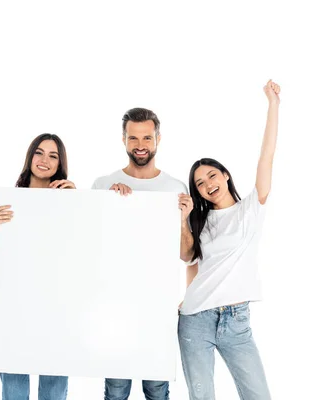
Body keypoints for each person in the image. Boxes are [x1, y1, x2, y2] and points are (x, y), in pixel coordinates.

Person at [178, 80, 281, 400]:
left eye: (211, 175)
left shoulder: (251, 208)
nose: (207, 184)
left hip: (237, 323)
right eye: (199, 183)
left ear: (224, 175)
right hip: (196, 320)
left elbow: (267, 156)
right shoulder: (201, 221)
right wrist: (183, 221)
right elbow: (189, 260)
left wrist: (273, 106)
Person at [92, 107, 191, 400]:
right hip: (113, 303)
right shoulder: (102, 184)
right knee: (117, 389)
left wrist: (183, 220)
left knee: (157, 390)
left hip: (157, 304)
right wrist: (108, 205)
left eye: (147, 137)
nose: (140, 145)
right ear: (123, 140)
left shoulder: (175, 187)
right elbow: (90, 246)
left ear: (158, 138)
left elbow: (186, 255)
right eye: (133, 138)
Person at [0, 133, 75, 400]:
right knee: (13, 387)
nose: (44, 160)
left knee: (54, 388)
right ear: (30, 157)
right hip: (15, 303)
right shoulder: (9, 198)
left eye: (53, 155)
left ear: (60, 164)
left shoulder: (69, 198)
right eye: (39, 152)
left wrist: (77, 205)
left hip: (58, 304)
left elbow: (79, 252)